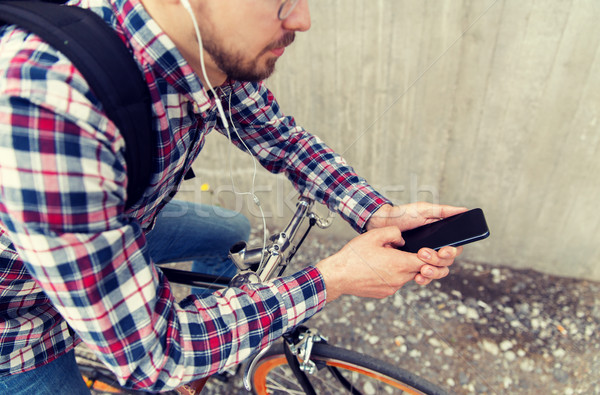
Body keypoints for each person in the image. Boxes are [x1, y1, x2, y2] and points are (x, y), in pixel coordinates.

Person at [0, 0, 465, 393]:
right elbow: (154, 352)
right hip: (19, 318)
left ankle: (209, 342)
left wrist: (377, 213)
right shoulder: (46, 108)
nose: (302, 20)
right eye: (279, 0)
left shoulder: (203, 51)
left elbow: (283, 140)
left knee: (230, 232)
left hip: (118, 224)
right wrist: (333, 278)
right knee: (148, 358)